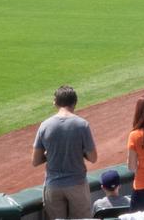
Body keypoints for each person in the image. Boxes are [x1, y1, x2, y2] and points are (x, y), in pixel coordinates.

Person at [32, 85, 98, 220]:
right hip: (77, 185)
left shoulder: (45, 125)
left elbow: (35, 160)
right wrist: (79, 152)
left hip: (53, 186)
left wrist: (51, 154)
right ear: (75, 102)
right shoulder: (82, 125)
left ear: (55, 102)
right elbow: (93, 157)